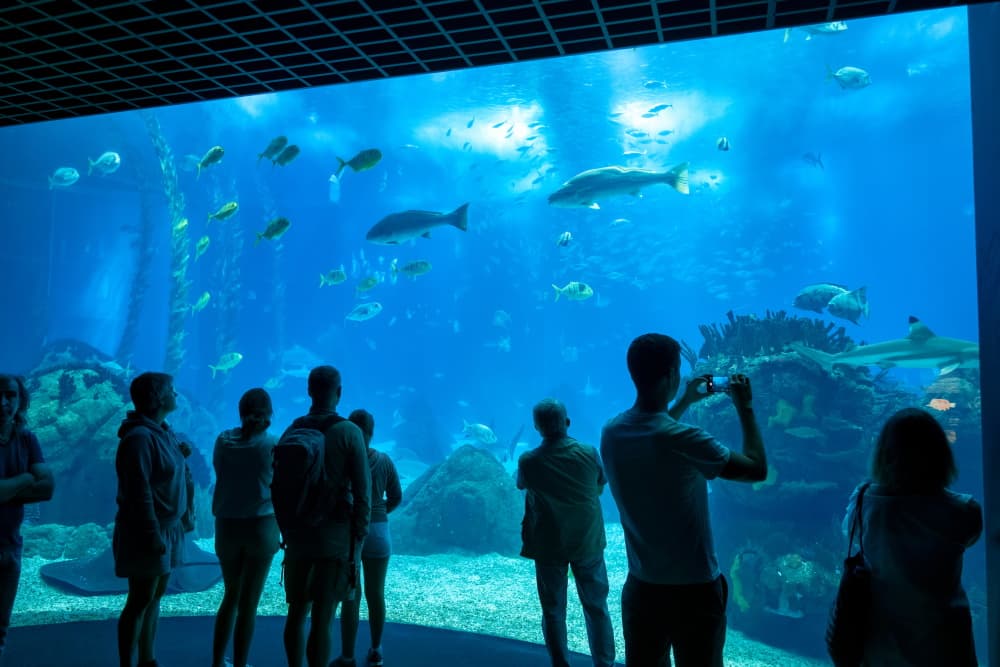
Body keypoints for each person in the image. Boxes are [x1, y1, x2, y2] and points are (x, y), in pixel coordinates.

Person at [600, 333, 768, 667]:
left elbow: (654, 432)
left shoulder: (612, 431)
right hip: (693, 591)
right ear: (671, 376)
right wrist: (745, 408)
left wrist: (685, 401)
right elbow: (756, 470)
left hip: (642, 588)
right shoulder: (685, 439)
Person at [844, 407, 982, 666]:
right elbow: (969, 538)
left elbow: (850, 537)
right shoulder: (964, 509)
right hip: (944, 639)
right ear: (941, 453)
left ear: (883, 453)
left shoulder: (864, 502)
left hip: (880, 636)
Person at [281, 365, 371, 667]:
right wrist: (357, 540)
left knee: (295, 615)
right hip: (334, 537)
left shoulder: (292, 429)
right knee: (322, 618)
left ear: (308, 390)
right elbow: (363, 493)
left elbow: (277, 484)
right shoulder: (349, 432)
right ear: (339, 392)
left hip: (297, 535)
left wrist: (286, 531)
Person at [516, 398, 615, 667]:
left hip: (549, 545)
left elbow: (521, 485)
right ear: (567, 422)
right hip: (588, 541)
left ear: (537, 427)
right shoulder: (589, 452)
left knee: (553, 610)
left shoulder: (528, 460)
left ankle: (560, 664)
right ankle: (604, 664)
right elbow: (600, 483)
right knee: (596, 608)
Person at [114, 371, 194, 667]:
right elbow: (139, 493)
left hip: (167, 529)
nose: (176, 394)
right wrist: (151, 534)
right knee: (140, 599)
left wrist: (179, 454)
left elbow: (164, 476)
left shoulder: (162, 432)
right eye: (172, 390)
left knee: (155, 596)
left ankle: (148, 659)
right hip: (148, 530)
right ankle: (127, 663)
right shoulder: (138, 438)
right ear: (158, 397)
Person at [211, 388, 280, 667]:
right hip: (261, 527)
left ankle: (217, 661)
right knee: (249, 603)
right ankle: (240, 664)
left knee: (231, 595)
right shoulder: (273, 444)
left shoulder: (223, 441)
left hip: (227, 526)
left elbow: (219, 470)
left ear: (240, 412)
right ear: (269, 413)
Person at [332, 409, 402, 667]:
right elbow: (396, 496)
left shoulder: (345, 461)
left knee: (351, 595)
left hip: (351, 531)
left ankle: (348, 655)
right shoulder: (384, 461)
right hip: (379, 531)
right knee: (376, 593)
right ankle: (376, 649)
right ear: (372, 432)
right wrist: (380, 510)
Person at [0, 374, 54, 663]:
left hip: (11, 546)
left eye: (10, 395)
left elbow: (47, 488)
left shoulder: (27, 438)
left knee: (1, 629)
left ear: (20, 400)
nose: (3, 403)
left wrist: (9, 488)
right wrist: (24, 478)